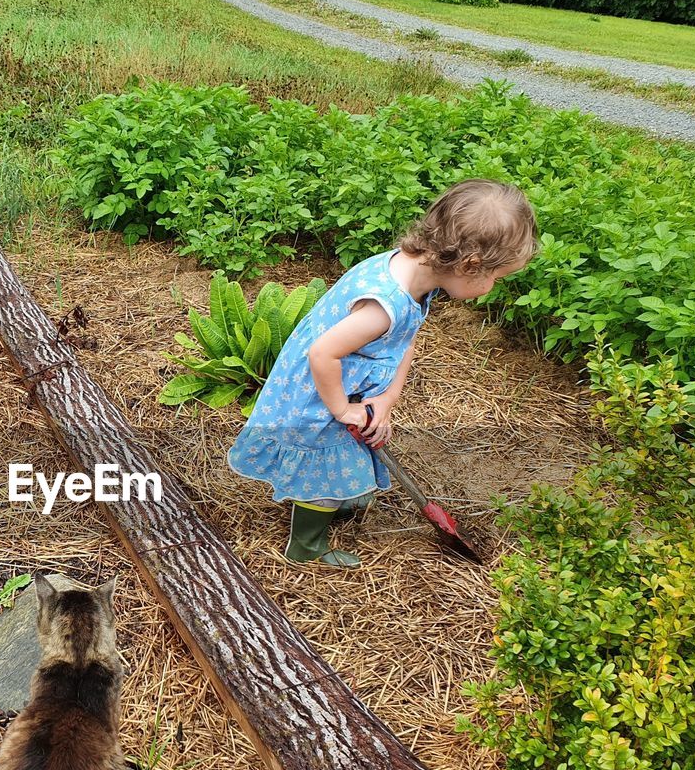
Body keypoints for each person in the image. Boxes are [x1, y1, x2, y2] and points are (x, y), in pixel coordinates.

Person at [227, 179, 539, 568]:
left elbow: (405, 339)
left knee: (342, 461)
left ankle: (334, 496)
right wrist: (342, 410)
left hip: (346, 390)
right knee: (323, 471)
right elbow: (322, 352)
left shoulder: (415, 276)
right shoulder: (383, 305)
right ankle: (306, 545)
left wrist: (387, 399)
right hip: (317, 398)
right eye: (496, 278)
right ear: (469, 265)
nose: (493, 288)